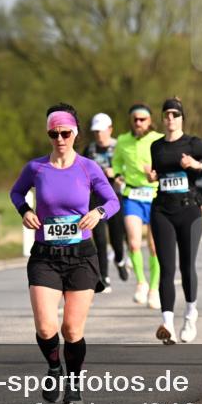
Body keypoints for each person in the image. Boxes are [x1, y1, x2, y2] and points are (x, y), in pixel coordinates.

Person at [10, 103, 119, 404]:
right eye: (53, 133)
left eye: (65, 132)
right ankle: (54, 367)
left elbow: (112, 201)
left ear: (75, 133)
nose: (59, 138)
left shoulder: (88, 167)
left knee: (72, 329)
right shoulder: (36, 168)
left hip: (81, 256)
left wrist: (98, 213)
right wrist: (25, 211)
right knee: (46, 326)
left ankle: (73, 380)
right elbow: (16, 192)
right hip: (45, 256)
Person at [147, 98, 202, 344]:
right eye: (167, 114)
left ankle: (191, 314)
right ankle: (168, 323)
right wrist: (152, 175)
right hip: (162, 209)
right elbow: (159, 173)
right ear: (162, 119)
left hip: (189, 210)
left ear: (182, 118)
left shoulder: (193, 143)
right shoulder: (156, 146)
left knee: (186, 266)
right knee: (166, 268)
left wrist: (196, 164)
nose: (170, 118)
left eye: (175, 114)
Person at [112, 104, 164, 308]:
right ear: (131, 121)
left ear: (150, 121)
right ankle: (141, 283)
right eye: (135, 119)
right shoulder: (123, 141)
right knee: (133, 243)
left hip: (154, 195)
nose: (139, 123)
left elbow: (167, 164)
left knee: (154, 246)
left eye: (143, 119)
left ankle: (154, 289)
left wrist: (155, 172)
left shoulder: (158, 140)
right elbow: (116, 162)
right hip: (131, 194)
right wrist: (117, 174)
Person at [83, 112, 129, 292]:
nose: (99, 135)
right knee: (100, 239)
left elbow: (131, 170)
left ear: (110, 129)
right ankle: (104, 277)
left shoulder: (120, 147)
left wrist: (119, 175)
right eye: (96, 132)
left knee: (117, 237)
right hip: (94, 198)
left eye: (102, 131)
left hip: (114, 197)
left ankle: (120, 259)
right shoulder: (90, 150)